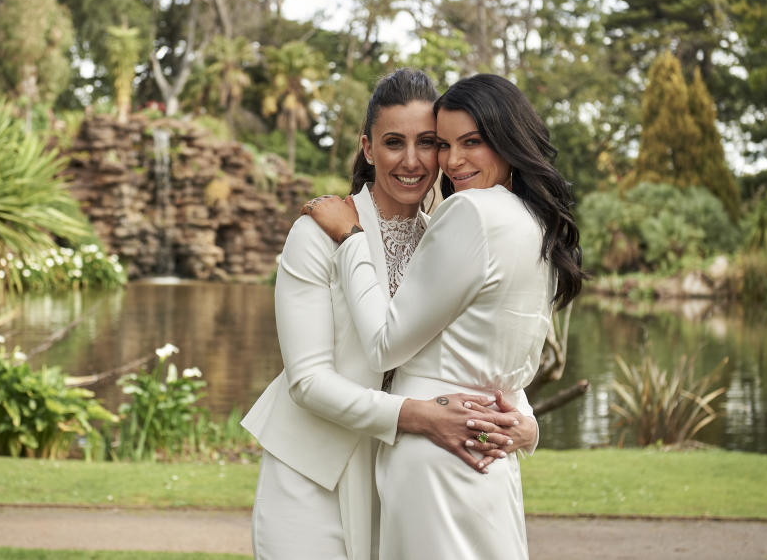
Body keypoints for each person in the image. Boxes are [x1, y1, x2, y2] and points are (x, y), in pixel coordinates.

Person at [241, 69, 539, 560]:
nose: (413, 160)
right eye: (394, 142)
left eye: (429, 142)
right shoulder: (318, 233)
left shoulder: (449, 235)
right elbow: (309, 381)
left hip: (401, 477)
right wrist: (417, 416)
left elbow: (479, 347)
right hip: (314, 471)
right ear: (367, 147)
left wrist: (524, 423)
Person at [304, 73, 585, 559]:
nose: (453, 162)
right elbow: (504, 356)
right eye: (446, 144)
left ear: (508, 138)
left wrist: (351, 241)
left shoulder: (471, 212)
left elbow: (385, 343)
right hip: (492, 450)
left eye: (471, 142)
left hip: (435, 450)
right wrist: (528, 424)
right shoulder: (536, 223)